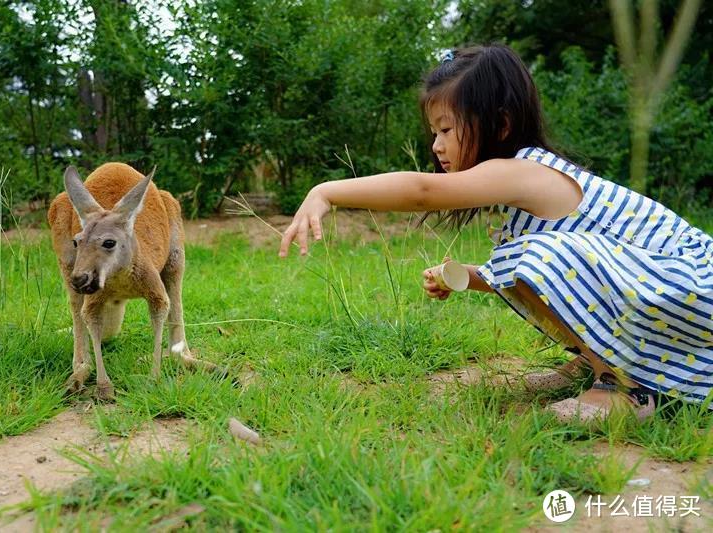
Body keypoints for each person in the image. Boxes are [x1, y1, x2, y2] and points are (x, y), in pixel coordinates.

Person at [278, 44, 713, 424]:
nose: (436, 145)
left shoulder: (521, 172)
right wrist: (469, 275)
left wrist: (328, 191)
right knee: (529, 258)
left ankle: (625, 388)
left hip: (694, 284)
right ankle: (593, 361)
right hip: (672, 292)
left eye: (446, 129)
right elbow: (543, 273)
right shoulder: (520, 184)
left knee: (539, 255)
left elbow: (423, 191)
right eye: (433, 133)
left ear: (500, 125)